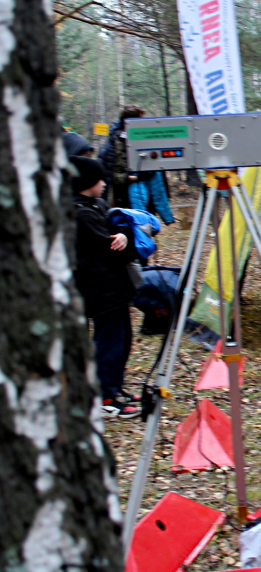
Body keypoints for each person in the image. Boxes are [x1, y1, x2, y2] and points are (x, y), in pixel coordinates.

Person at [71, 156, 141, 418]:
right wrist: (130, 240)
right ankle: (106, 396)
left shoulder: (94, 205)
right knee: (109, 344)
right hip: (100, 291)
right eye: (100, 179)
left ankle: (114, 386)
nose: (104, 183)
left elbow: (115, 236)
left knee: (122, 340)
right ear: (87, 182)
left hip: (113, 290)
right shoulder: (81, 213)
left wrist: (124, 234)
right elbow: (112, 250)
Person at [98, 105, 146, 208]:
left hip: (139, 193)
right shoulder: (115, 143)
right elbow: (108, 172)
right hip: (120, 195)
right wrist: (128, 178)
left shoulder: (141, 140)